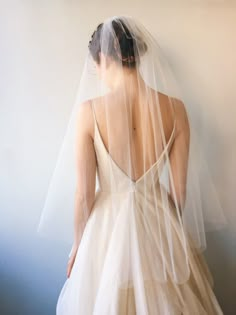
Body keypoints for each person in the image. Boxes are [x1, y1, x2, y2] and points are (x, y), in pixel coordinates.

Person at [38, 15, 226, 314]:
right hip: (158, 222)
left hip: (106, 230)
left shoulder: (89, 112)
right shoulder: (176, 110)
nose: (96, 72)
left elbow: (84, 195)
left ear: (103, 58)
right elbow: (178, 193)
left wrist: (77, 246)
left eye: (96, 65)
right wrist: (168, 234)